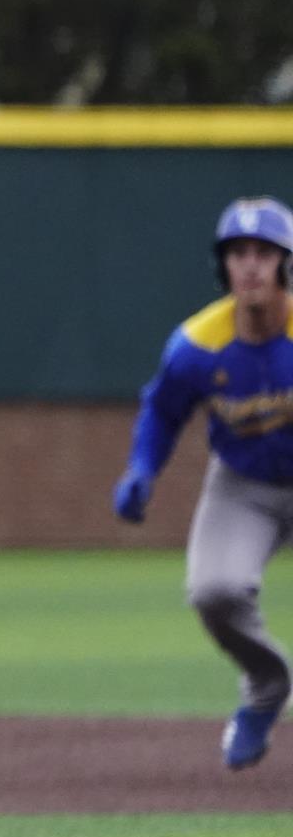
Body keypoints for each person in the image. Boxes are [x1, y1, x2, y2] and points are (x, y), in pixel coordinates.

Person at [113, 195, 293, 771]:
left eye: (264, 252)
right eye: (237, 252)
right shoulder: (196, 345)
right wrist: (143, 468)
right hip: (244, 484)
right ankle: (267, 689)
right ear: (223, 267)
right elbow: (162, 410)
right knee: (213, 591)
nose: (250, 265)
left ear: (286, 263)